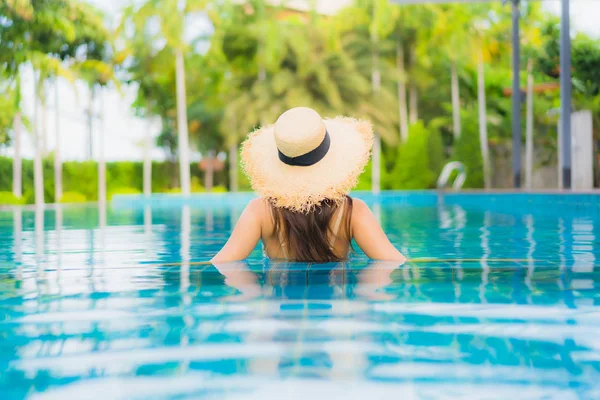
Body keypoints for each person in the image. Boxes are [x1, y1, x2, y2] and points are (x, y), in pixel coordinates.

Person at [212, 107, 406, 263]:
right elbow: (392, 262)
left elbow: (222, 264)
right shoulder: (353, 212)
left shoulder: (259, 212)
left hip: (278, 308)